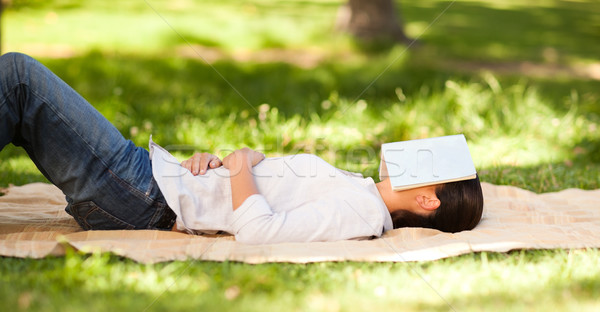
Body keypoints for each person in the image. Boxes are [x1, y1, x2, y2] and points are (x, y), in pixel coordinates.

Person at [0, 52, 483, 244]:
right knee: (18, 83)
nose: (420, 145)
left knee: (18, 79)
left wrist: (236, 165)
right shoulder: (360, 190)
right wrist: (221, 165)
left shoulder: (360, 212)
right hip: (152, 183)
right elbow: (255, 189)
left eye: (432, 159)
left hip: (141, 196)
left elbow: (258, 233)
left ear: (428, 199)